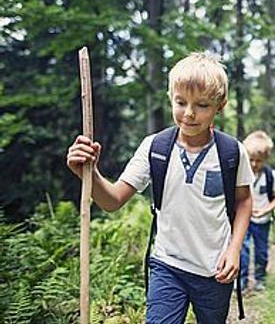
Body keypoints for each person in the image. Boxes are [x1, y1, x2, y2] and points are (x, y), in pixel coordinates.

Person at [66, 53, 254, 324]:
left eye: (201, 105)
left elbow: (244, 201)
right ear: (170, 97)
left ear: (219, 106)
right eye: (181, 102)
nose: (189, 113)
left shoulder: (232, 152)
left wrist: (234, 249)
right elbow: (112, 201)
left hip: (215, 270)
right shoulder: (155, 148)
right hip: (168, 266)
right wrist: (89, 173)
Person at [240, 131, 275, 293]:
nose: (253, 164)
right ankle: (242, 281)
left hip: (262, 221)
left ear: (266, 159)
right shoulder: (241, 174)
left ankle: (260, 278)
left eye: (258, 161)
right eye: (250, 160)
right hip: (243, 220)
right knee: (242, 250)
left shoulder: (272, 176)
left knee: (261, 251)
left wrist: (265, 210)